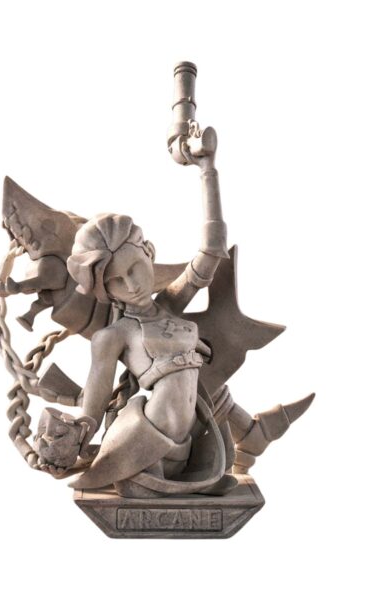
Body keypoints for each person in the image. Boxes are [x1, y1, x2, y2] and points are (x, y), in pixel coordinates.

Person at [60, 128, 233, 497]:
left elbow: (212, 251)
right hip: (144, 447)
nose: (132, 285)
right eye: (117, 281)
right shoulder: (113, 336)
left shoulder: (170, 302)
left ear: (149, 253)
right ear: (104, 291)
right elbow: (94, 403)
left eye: (135, 269)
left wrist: (208, 169)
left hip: (190, 445)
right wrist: (74, 437)